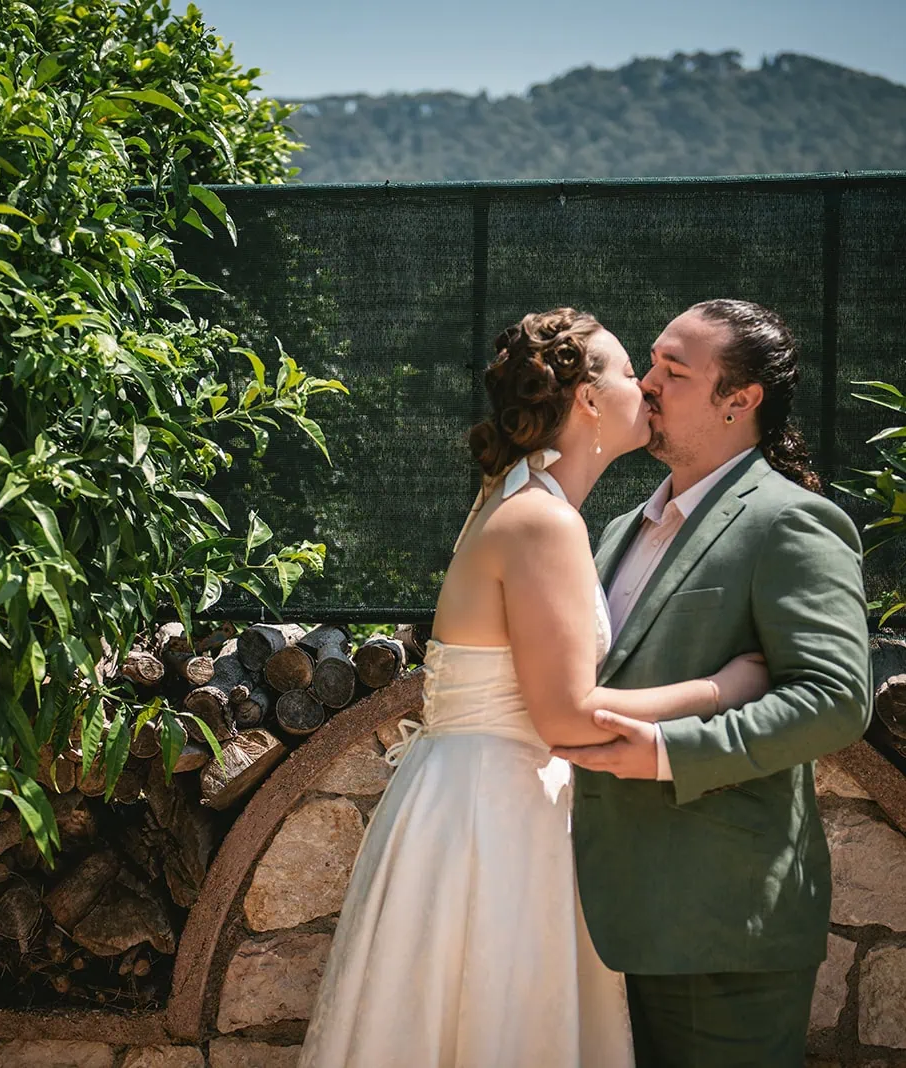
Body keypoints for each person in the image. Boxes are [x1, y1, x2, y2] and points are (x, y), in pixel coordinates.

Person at [298, 308, 771, 1068]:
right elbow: (568, 716)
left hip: (473, 800)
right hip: (496, 819)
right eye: (630, 372)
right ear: (587, 399)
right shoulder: (544, 523)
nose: (648, 386)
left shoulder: (521, 503)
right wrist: (723, 686)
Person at [554, 299, 872, 1068]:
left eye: (674, 370)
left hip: (719, 925)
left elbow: (835, 699)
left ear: (740, 399)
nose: (647, 382)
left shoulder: (792, 523)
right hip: (595, 917)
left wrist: (672, 752)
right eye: (651, 363)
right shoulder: (616, 530)